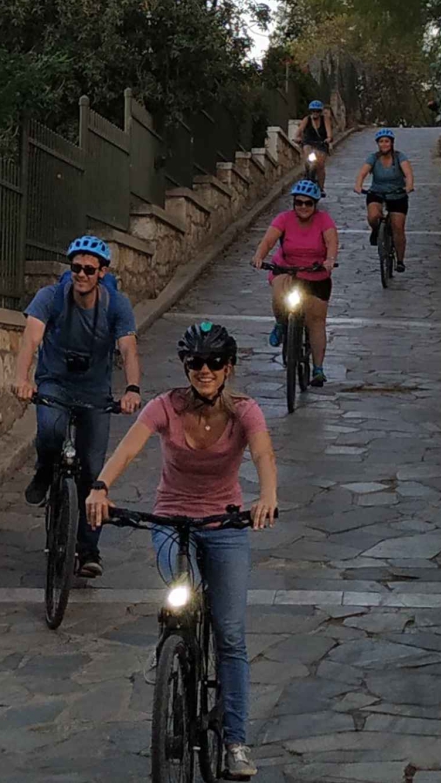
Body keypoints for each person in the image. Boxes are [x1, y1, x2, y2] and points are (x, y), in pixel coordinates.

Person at [86, 322, 278, 781]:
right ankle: (175, 655)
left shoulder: (244, 412)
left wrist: (267, 495)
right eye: (195, 363)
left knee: (230, 634)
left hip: (225, 524)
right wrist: (100, 487)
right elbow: (129, 450)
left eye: (214, 363)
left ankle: (235, 741)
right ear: (185, 366)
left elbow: (263, 455)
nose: (204, 370)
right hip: (172, 521)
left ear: (228, 368)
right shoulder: (164, 408)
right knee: (180, 597)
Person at [15, 235, 142, 579]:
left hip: (95, 392)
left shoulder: (116, 305)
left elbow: (128, 348)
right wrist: (22, 378)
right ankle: (44, 470)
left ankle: (89, 549)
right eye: (75, 268)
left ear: (102, 272)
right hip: (55, 383)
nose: (81, 274)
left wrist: (132, 388)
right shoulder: (51, 297)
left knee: (93, 470)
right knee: (50, 431)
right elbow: (31, 338)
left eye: (89, 269)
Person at [250, 179, 339, 386]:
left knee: (316, 321)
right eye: (299, 202)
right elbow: (268, 240)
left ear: (315, 204)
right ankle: (281, 323)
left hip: (316, 274)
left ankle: (318, 368)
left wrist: (330, 260)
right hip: (288, 269)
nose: (303, 207)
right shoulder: (284, 219)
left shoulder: (324, 220)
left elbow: (331, 242)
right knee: (279, 291)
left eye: (308, 203)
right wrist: (259, 256)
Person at [353, 128, 415, 273]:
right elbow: (362, 173)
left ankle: (399, 260)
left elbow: (408, 174)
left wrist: (409, 186)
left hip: (397, 194)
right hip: (377, 193)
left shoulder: (400, 157)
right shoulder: (373, 158)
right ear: (378, 144)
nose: (384, 144)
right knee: (373, 216)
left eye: (387, 141)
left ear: (392, 143)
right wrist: (358, 185)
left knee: (398, 227)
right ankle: (376, 230)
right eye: (381, 142)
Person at [295, 100, 334, 194]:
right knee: (307, 158)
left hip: (321, 143)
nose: (315, 113)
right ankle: (306, 174)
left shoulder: (325, 119)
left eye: (317, 111)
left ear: (320, 112)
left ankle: (321, 188)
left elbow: (329, 133)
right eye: (313, 111)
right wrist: (297, 137)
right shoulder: (307, 119)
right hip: (308, 143)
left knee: (320, 165)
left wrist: (328, 138)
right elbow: (299, 130)